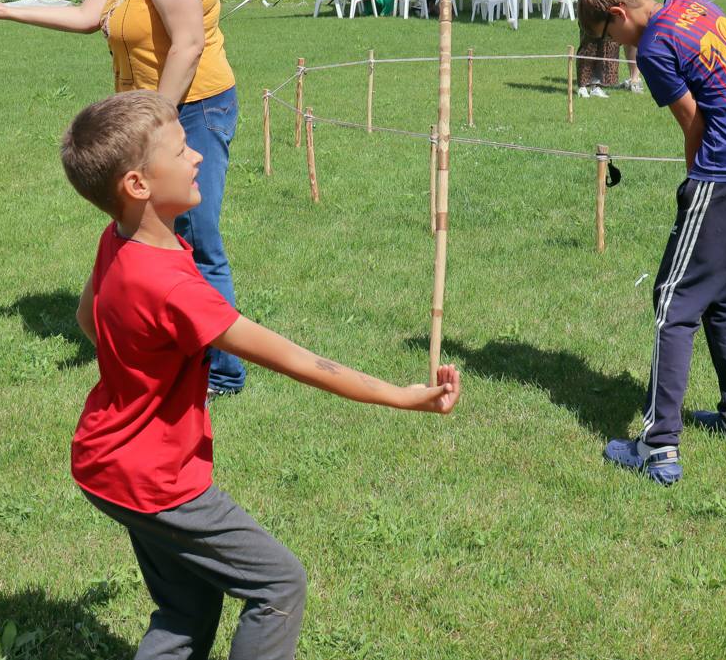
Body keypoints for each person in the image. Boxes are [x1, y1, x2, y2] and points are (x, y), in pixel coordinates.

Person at [61, 91, 461, 658]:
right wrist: (404, 396)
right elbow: (299, 361)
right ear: (138, 185)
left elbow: (87, 317)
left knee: (185, 609)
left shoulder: (119, 240)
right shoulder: (175, 289)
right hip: (157, 481)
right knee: (277, 585)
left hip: (107, 461)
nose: (197, 155)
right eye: (180, 150)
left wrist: (139, 370)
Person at [0, 0, 246, 396]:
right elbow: (90, 16)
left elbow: (188, 44)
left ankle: (224, 373)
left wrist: (158, 123)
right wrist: (3, 10)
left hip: (193, 108)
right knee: (145, 233)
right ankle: (157, 344)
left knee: (196, 237)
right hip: (154, 112)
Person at [578, 0, 726, 485]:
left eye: (608, 39)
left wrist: (695, 183)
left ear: (618, 15)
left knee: (674, 302)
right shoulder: (693, 4)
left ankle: (658, 447)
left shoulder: (651, 49)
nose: (614, 49)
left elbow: (693, 122)